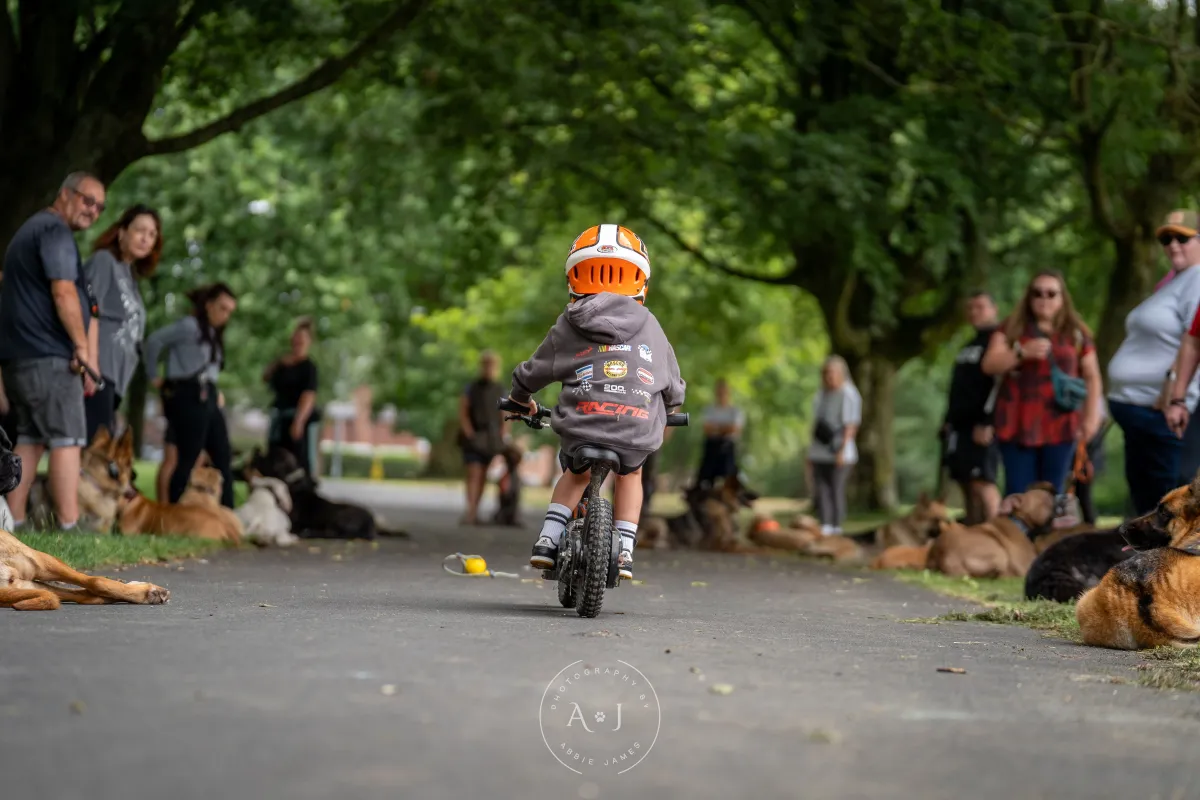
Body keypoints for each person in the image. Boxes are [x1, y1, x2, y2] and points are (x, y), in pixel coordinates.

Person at [510, 223, 685, 580]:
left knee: (576, 473)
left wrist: (519, 398)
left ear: (575, 276)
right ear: (639, 279)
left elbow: (535, 370)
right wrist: (671, 411)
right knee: (632, 473)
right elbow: (671, 380)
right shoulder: (651, 325)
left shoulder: (568, 325)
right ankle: (624, 551)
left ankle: (548, 539)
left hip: (583, 422)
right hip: (635, 425)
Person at [0, 171, 105, 531]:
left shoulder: (30, 230)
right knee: (67, 438)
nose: (93, 210)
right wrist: (81, 346)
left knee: (30, 439)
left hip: (19, 358)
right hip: (47, 358)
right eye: (87, 200)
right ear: (65, 193)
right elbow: (63, 291)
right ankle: (69, 525)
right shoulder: (54, 231)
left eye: (100, 207)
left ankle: (10, 522)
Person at [1106, 210, 1200, 515]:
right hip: (1139, 412)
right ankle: (1146, 561)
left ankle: (1170, 563)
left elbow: (1193, 340)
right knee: (1147, 507)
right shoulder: (1173, 282)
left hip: (1163, 412)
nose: (1173, 245)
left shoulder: (1197, 278)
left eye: (1183, 238)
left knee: (1168, 507)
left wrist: (1177, 395)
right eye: (1166, 239)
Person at [982, 271, 1103, 496]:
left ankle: (1050, 531)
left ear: (1062, 298)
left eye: (1051, 294)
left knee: (1053, 493)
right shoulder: (1011, 328)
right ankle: (1017, 532)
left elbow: (1092, 376)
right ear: (1028, 298)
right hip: (1016, 424)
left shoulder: (1075, 333)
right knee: (1018, 494)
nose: (1044, 299)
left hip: (1061, 424)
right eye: (1037, 293)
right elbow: (989, 364)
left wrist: (1091, 419)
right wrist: (1020, 353)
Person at [143, 283, 238, 508]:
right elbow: (155, 340)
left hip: (209, 394)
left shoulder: (213, 334)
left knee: (222, 454)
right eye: (222, 308)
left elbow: (209, 368)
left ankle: (227, 513)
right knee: (187, 455)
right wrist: (154, 375)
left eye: (230, 311)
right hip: (188, 395)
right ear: (208, 305)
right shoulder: (189, 326)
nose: (225, 315)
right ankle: (175, 511)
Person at [82, 204, 159, 445]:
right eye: (140, 231)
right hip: (97, 370)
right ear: (121, 232)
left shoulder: (130, 276)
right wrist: (88, 364)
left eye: (152, 234)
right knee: (91, 448)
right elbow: (86, 310)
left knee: (99, 448)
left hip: (115, 377)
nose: (146, 239)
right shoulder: (104, 261)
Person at [941, 291, 1002, 525]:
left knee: (983, 482)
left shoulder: (997, 342)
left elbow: (999, 386)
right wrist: (948, 420)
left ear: (994, 309)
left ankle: (996, 534)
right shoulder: (969, 346)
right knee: (965, 481)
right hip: (960, 426)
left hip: (981, 426)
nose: (974, 312)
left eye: (980, 307)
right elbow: (958, 388)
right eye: (970, 308)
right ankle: (974, 532)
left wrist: (988, 421)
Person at [806, 355, 862, 535]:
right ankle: (825, 523)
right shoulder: (821, 395)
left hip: (839, 449)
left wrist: (841, 450)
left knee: (835, 487)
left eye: (832, 373)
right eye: (826, 374)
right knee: (821, 488)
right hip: (820, 449)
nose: (829, 378)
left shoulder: (848, 394)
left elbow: (850, 425)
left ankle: (836, 524)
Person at [263, 317, 321, 478]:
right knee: (276, 458)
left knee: (300, 460)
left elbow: (308, 395)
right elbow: (266, 378)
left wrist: (299, 421)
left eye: (302, 339)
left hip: (298, 417)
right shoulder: (282, 363)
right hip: (279, 415)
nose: (298, 341)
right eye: (296, 337)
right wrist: (277, 363)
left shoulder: (308, 367)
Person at [458, 351, 509, 525]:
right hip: (474, 436)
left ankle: (475, 509)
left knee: (483, 476)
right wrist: (469, 432)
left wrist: (504, 433)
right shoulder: (471, 388)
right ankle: (470, 511)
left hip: (491, 438)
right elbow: (463, 411)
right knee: (473, 473)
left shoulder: (499, 389)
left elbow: (504, 414)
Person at [695, 378, 745, 489]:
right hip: (712, 445)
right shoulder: (709, 410)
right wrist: (725, 428)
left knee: (730, 470)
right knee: (706, 470)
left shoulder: (735, 411)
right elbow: (707, 429)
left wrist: (716, 428)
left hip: (728, 445)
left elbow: (735, 429)